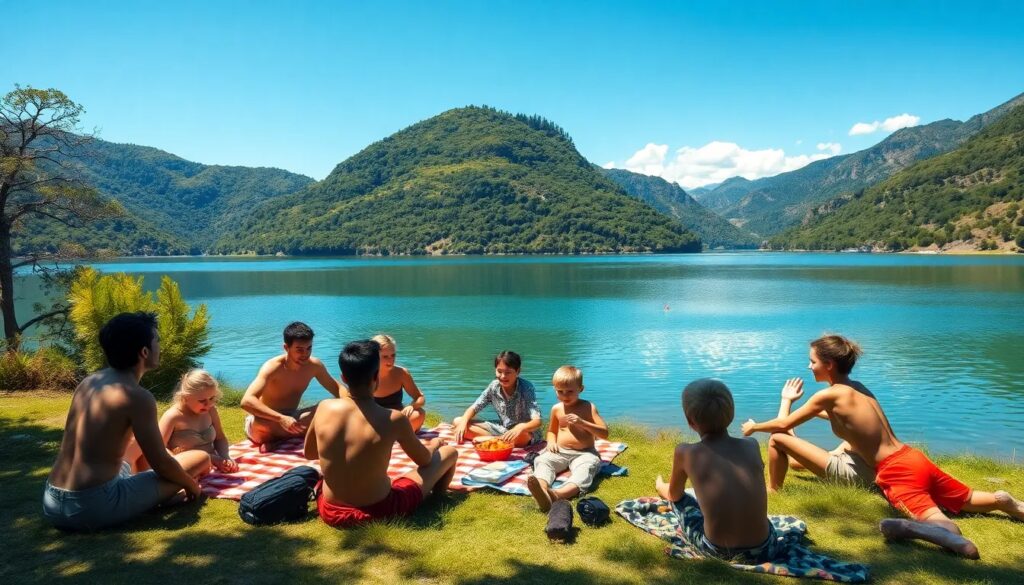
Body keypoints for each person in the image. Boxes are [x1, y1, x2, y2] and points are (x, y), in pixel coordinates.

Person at [742, 334, 1024, 559]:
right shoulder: (858, 388)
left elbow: (782, 427)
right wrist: (794, 406)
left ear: (828, 365)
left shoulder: (827, 395)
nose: (809, 366)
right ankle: (1004, 502)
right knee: (967, 498)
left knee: (943, 521)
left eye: (812, 361)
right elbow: (844, 421)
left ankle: (944, 536)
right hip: (912, 457)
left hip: (894, 470)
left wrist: (755, 427)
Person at [43, 312, 206, 531]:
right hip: (91, 506)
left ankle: (144, 491)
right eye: (157, 340)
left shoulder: (89, 382)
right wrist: (190, 485)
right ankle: (154, 495)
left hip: (52, 500)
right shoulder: (137, 397)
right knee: (200, 458)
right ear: (144, 351)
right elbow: (162, 464)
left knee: (137, 445)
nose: (160, 346)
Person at [306, 339, 459, 528]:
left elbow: (310, 453)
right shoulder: (393, 419)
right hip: (378, 510)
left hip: (330, 510)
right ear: (376, 377)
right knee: (450, 452)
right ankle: (437, 500)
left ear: (343, 378)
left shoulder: (324, 408)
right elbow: (425, 460)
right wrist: (435, 444)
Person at [654, 378, 778, 562]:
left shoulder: (686, 452)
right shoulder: (751, 445)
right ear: (732, 413)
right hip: (766, 548)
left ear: (690, 421)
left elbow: (674, 494)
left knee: (682, 503)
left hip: (718, 551)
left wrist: (660, 486)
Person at [241, 322, 341, 451]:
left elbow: (338, 389)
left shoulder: (314, 366)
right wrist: (281, 418)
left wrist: (356, 403)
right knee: (261, 423)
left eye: (309, 348)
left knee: (325, 407)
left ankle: (278, 440)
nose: (305, 354)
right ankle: (287, 436)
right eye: (299, 349)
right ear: (286, 347)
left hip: (293, 417)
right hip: (268, 419)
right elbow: (246, 401)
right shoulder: (273, 367)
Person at [527, 365, 608, 511]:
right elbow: (551, 431)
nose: (565, 396)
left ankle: (557, 495)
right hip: (561, 451)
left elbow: (604, 433)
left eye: (570, 391)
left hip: (585, 453)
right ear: (555, 390)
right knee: (542, 460)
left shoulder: (588, 407)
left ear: (580, 389)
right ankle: (542, 490)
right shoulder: (557, 409)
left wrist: (582, 423)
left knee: (585, 469)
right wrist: (551, 441)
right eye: (560, 391)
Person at [126, 369, 237, 474]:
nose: (208, 404)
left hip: (213, 465)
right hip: (184, 466)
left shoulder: (211, 411)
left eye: (212, 398)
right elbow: (158, 449)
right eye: (202, 400)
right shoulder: (173, 416)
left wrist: (225, 457)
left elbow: (220, 438)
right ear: (185, 397)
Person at [452, 350, 542, 447]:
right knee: (458, 421)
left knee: (523, 436)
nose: (503, 376)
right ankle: (498, 439)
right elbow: (474, 408)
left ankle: (492, 439)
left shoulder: (526, 387)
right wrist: (463, 423)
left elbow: (537, 421)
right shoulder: (494, 387)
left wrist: (520, 427)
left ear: (518, 371)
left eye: (508, 372)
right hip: (503, 428)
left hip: (523, 433)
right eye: (499, 371)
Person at [371, 334, 427, 432]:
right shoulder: (365, 374)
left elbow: (420, 398)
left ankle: (391, 436)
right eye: (385, 356)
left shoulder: (401, 373)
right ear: (374, 356)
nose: (391, 360)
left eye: (393, 355)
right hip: (373, 420)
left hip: (397, 419)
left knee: (419, 414)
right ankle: (398, 436)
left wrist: (412, 406)